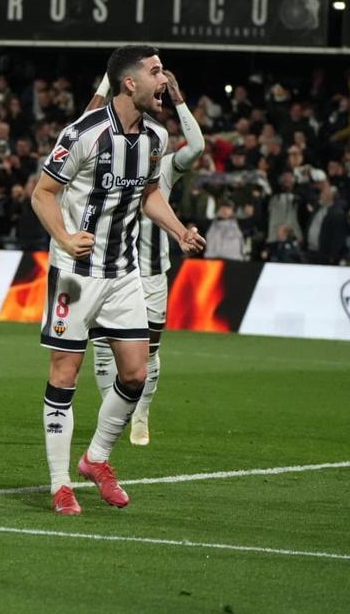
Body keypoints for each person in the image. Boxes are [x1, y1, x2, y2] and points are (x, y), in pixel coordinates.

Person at [31, 45, 205, 516]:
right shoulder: (83, 133)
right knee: (64, 377)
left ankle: (96, 459)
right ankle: (59, 483)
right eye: (155, 72)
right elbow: (42, 193)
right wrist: (65, 238)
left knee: (136, 372)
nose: (163, 80)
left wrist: (179, 231)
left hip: (123, 272)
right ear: (130, 83)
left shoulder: (156, 136)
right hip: (74, 275)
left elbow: (149, 193)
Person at [87, 69, 204, 447]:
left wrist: (179, 98)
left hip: (152, 273)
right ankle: (112, 410)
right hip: (111, 267)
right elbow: (82, 129)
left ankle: (140, 413)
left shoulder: (163, 165)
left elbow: (198, 147)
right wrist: (107, 81)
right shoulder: (108, 159)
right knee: (103, 344)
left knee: (149, 349)